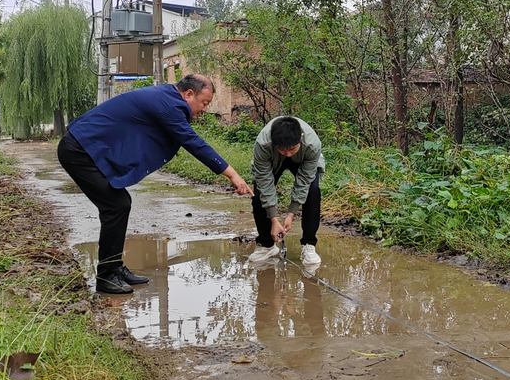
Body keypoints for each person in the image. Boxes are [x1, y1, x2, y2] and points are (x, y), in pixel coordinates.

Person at [58, 74, 251, 294]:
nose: (205, 109)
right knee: (116, 205)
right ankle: (106, 277)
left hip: (85, 148)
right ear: (189, 94)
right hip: (78, 150)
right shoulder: (169, 105)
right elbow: (193, 142)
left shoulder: (166, 98)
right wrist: (232, 174)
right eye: (204, 103)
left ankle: (113, 267)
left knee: (119, 204)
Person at [247, 115, 325, 269]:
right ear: (273, 142)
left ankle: (309, 244)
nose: (288, 154)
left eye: (291, 149)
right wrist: (274, 220)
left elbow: (304, 182)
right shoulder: (263, 144)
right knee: (258, 194)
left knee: (313, 190)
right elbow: (264, 183)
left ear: (301, 138)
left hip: (304, 160)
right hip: (272, 161)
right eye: (282, 149)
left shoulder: (312, 144)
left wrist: (291, 213)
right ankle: (266, 245)